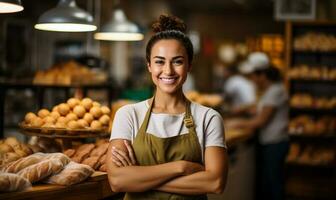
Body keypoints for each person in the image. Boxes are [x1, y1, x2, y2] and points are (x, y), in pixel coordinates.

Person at [107, 15, 228, 200]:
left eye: (178, 61)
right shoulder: (128, 115)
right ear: (149, 65)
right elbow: (117, 181)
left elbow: (215, 182)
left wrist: (139, 176)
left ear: (189, 66)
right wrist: (182, 167)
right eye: (159, 61)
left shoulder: (208, 118)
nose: (168, 70)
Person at [231, 62, 289, 200]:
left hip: (275, 143)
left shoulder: (275, 91)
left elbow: (261, 120)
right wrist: (244, 109)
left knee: (273, 183)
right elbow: (260, 109)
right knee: (270, 182)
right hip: (273, 142)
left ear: (262, 76)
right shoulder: (273, 90)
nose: (253, 80)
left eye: (254, 76)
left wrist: (237, 123)